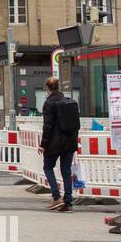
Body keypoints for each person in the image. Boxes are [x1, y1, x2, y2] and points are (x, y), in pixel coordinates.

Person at [38, 76, 80, 212]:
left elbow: (48, 126)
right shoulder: (69, 102)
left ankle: (56, 197)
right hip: (70, 142)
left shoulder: (49, 103)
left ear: (47, 88)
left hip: (54, 143)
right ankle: (68, 203)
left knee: (48, 167)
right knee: (66, 171)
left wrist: (43, 144)